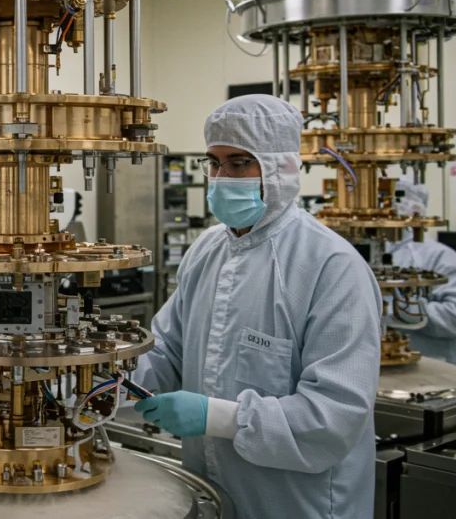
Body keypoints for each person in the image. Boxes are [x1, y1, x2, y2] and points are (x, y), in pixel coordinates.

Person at [133, 95, 381, 518]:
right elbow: (166, 351)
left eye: (239, 163)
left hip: (298, 503)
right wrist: (101, 376)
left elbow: (335, 415)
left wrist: (219, 418)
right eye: (213, 163)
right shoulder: (207, 249)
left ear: (279, 168)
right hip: (210, 488)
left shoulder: (331, 265)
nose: (221, 177)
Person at [390, 179, 456, 365]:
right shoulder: (370, 253)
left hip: (433, 370)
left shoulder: (442, 259)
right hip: (380, 371)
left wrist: (400, 311)